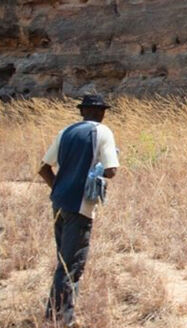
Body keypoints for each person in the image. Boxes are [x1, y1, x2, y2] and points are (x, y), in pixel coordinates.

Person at [38, 94, 119, 327]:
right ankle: (59, 319)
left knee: (63, 260)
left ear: (82, 112)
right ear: (101, 113)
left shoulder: (66, 131)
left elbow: (44, 168)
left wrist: (60, 187)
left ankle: (57, 314)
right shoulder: (103, 132)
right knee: (72, 264)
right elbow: (112, 170)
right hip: (80, 206)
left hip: (59, 203)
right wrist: (97, 171)